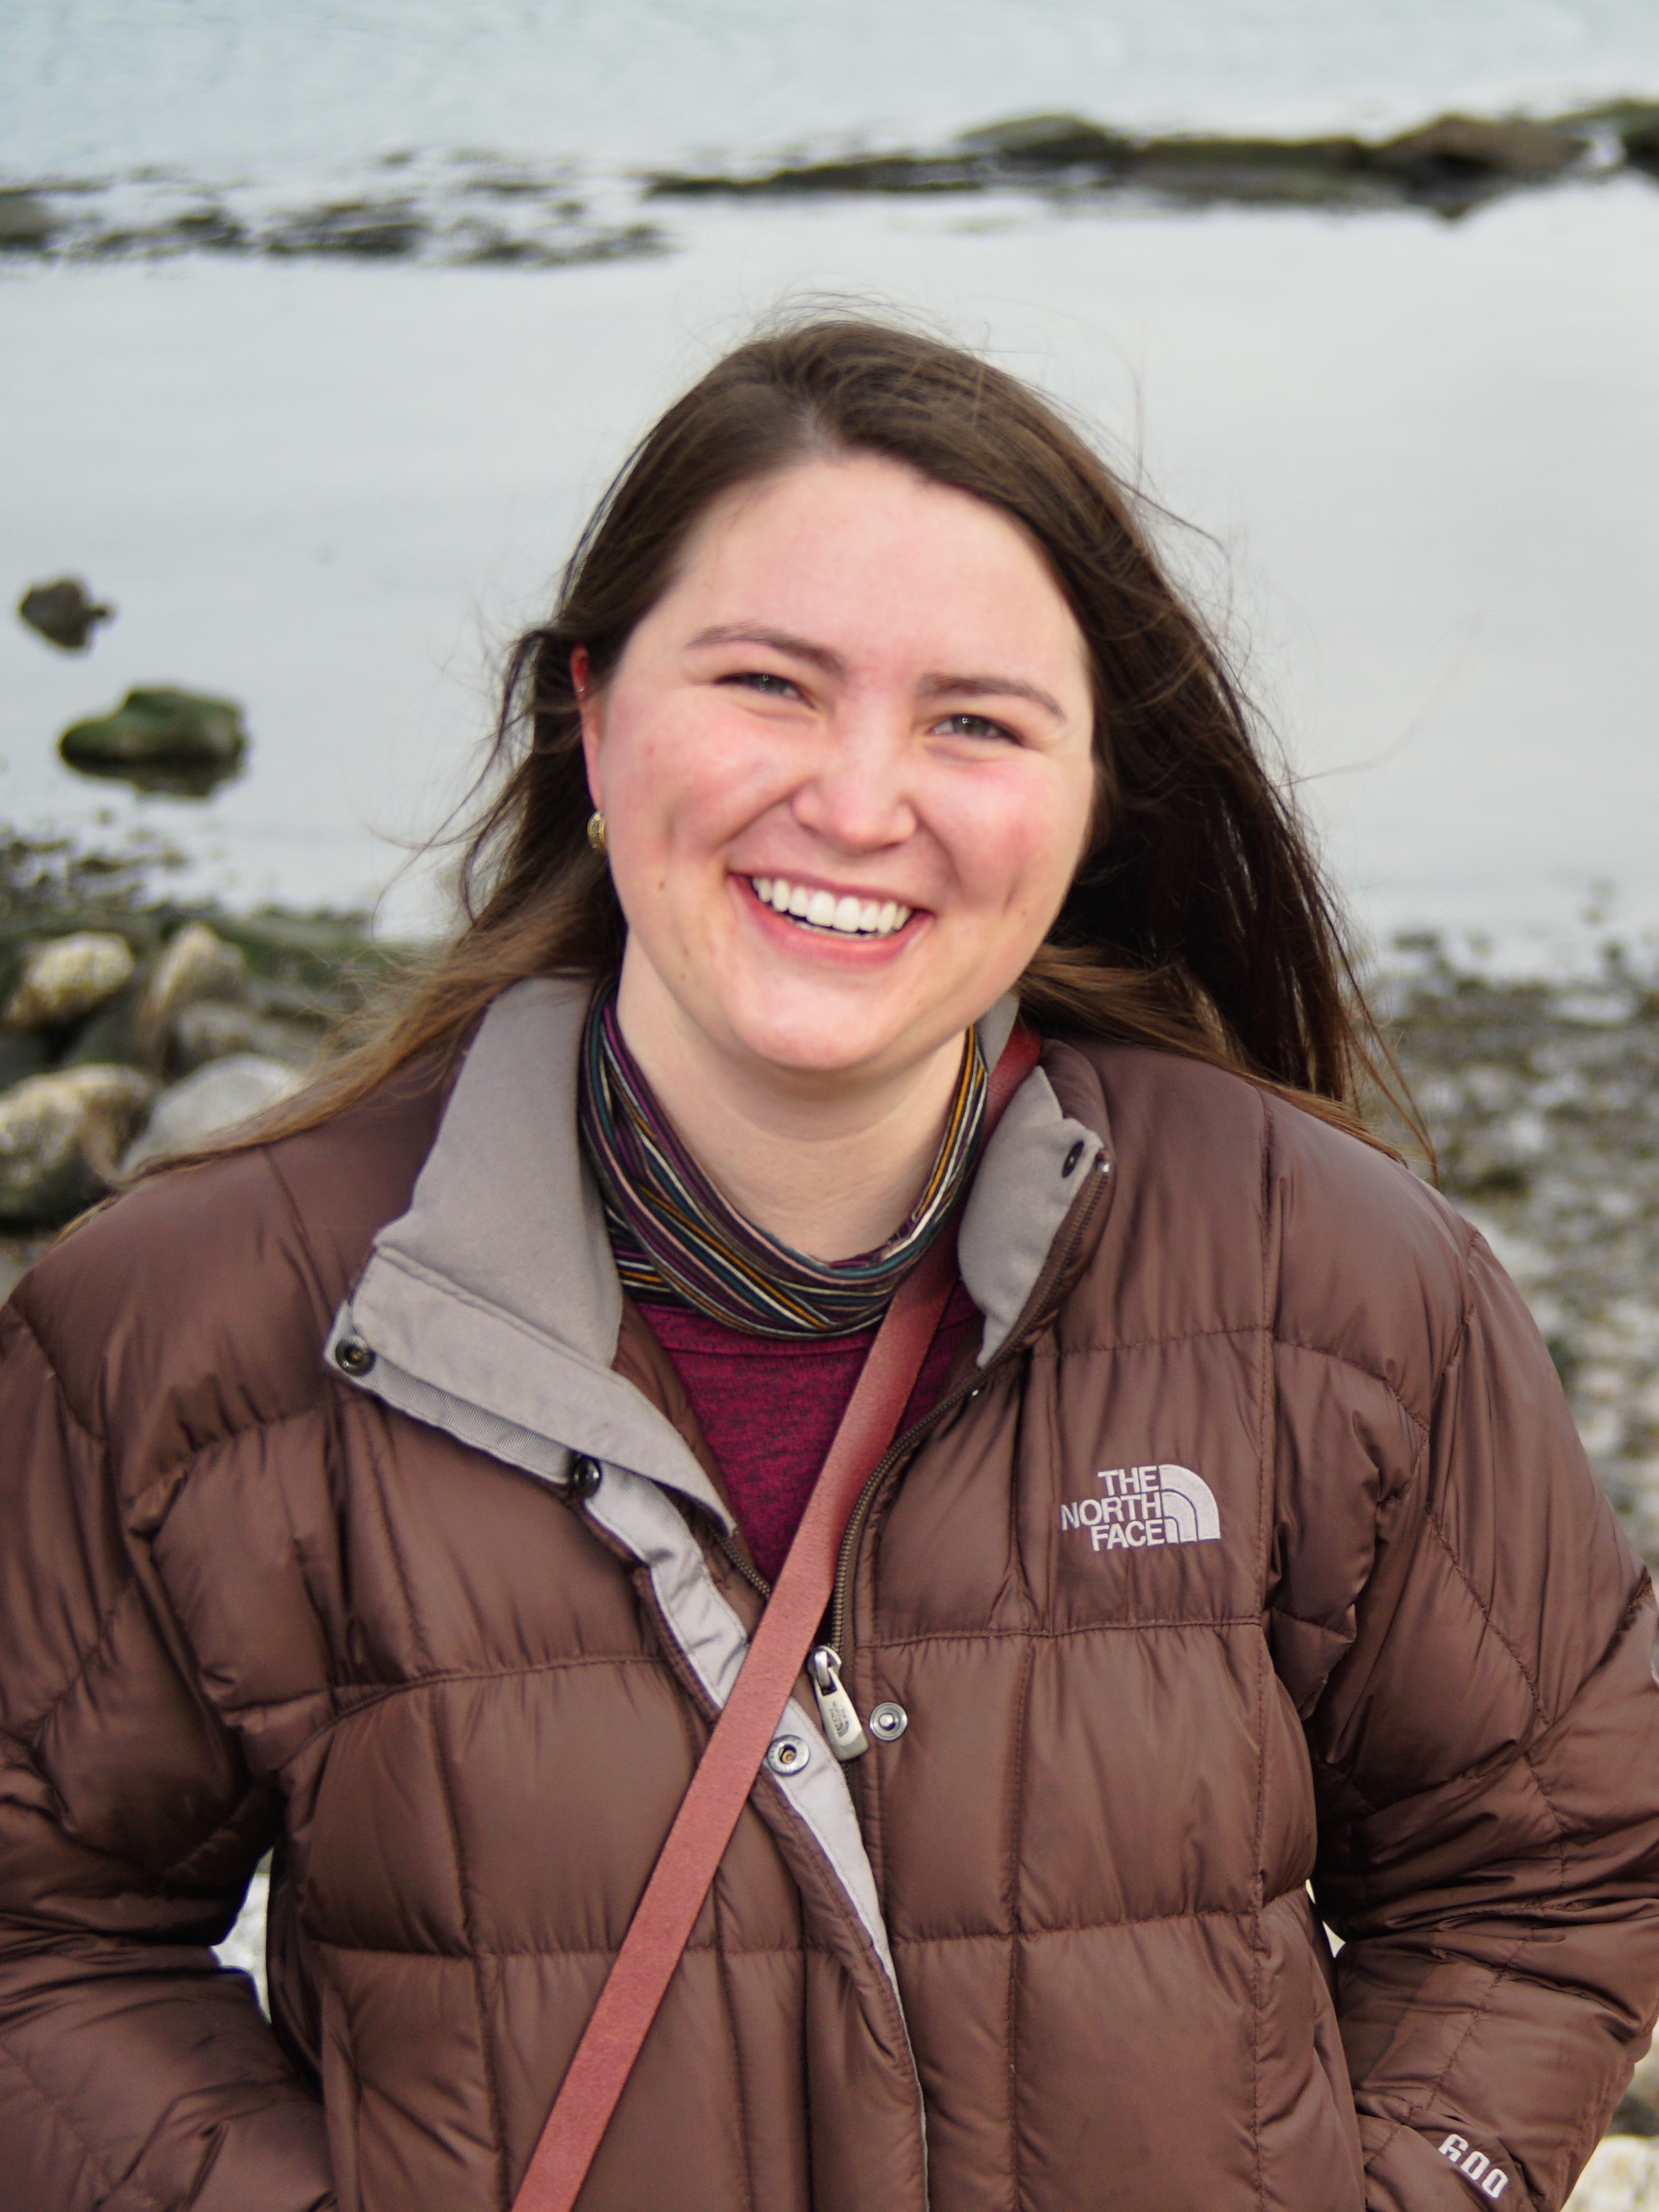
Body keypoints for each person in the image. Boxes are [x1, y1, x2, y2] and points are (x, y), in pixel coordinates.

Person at [0, 317, 1655, 2212]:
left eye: (972, 720)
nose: (860, 804)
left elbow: (1545, 1873)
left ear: (1091, 783)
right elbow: (38, 1936)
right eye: (770, 685)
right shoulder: (199, 1327)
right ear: (594, 713)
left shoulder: (1341, 1292)